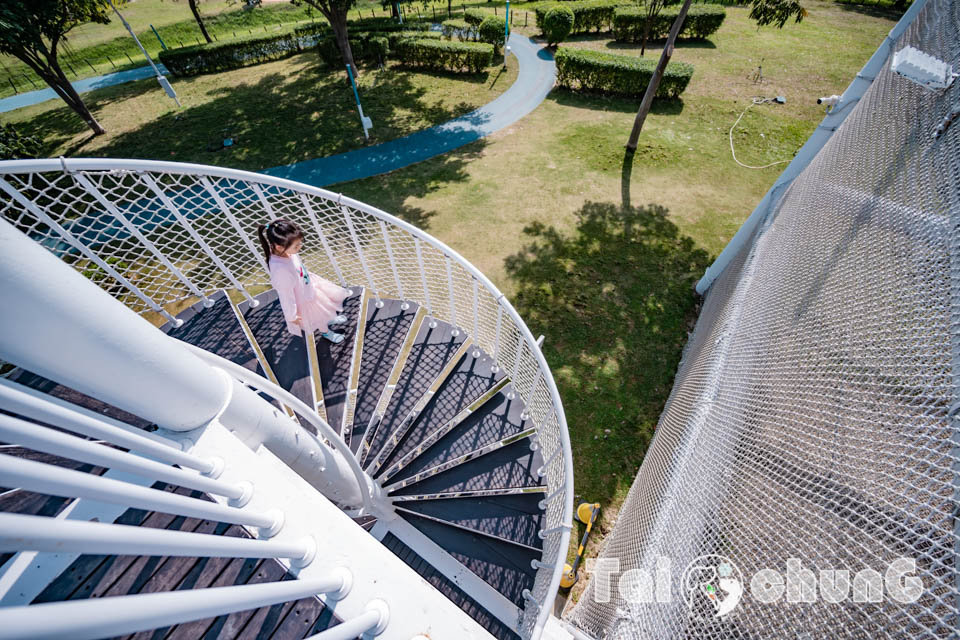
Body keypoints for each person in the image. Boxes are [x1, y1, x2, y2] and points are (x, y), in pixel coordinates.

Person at [256, 218, 351, 343]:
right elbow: (286, 295)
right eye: (296, 246)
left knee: (325, 310)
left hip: (310, 288)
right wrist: (292, 315)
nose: (300, 247)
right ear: (279, 247)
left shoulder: (287, 253)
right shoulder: (280, 271)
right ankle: (326, 332)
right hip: (305, 299)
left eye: (300, 242)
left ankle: (329, 318)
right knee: (319, 318)